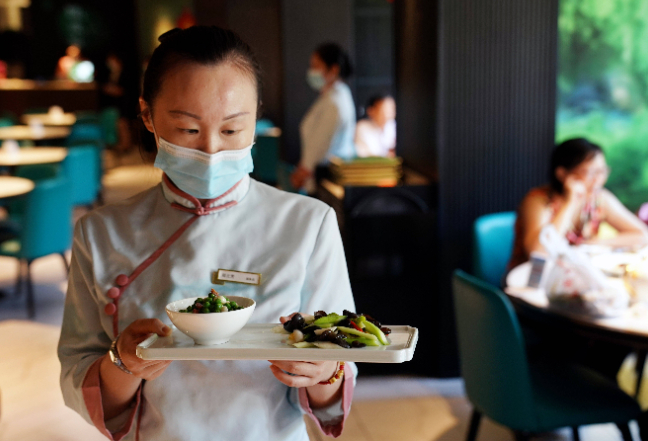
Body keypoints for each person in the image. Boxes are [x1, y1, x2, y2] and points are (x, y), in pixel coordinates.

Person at [58, 26, 356, 441]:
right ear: (147, 116)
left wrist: (325, 372)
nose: (213, 151)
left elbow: (339, 368)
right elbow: (78, 370)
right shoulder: (101, 233)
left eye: (232, 130)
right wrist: (123, 364)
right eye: (188, 130)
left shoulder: (309, 223)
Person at [509, 137, 648, 270]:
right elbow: (538, 253)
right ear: (562, 174)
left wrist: (596, 244)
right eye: (590, 172)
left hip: (574, 278)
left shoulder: (599, 198)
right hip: (529, 281)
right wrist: (571, 203)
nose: (598, 179)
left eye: (602, 171)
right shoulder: (538, 201)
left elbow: (642, 235)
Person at [291, 43, 356, 193]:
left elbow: (321, 143)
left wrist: (301, 173)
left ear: (333, 69)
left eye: (316, 66)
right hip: (319, 175)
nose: (311, 71)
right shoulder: (331, 96)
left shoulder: (335, 101)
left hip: (326, 179)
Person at [354, 94, 396, 158]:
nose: (387, 114)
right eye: (383, 110)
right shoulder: (362, 127)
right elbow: (364, 154)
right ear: (370, 111)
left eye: (391, 109)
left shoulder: (395, 126)